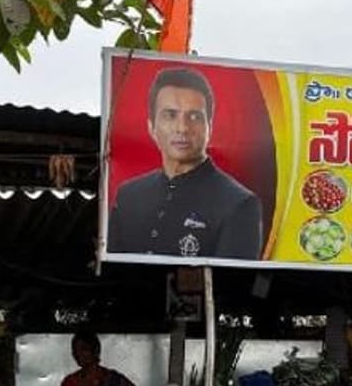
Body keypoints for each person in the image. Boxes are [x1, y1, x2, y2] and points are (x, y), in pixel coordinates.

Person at [108, 67, 264, 260]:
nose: (182, 128)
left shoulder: (238, 204)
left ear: (210, 127)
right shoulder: (129, 196)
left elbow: (232, 285)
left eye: (194, 117)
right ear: (151, 127)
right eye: (170, 115)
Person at [54, 330, 136, 386]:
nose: (78, 354)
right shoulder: (69, 383)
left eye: (84, 349)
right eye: (75, 350)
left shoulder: (116, 379)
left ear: (96, 350)